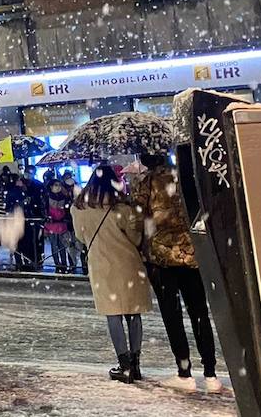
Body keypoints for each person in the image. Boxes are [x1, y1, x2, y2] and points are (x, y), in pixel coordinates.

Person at [134, 152, 222, 392]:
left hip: (162, 260)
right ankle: (211, 374)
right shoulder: (186, 178)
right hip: (191, 255)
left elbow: (137, 219)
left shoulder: (146, 183)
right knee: (199, 313)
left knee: (172, 317)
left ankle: (185, 373)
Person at [72, 164, 151, 383]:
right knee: (133, 314)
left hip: (101, 266)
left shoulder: (79, 208)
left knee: (113, 314)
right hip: (129, 264)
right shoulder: (124, 208)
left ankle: (123, 364)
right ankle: (135, 363)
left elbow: (80, 236)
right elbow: (135, 239)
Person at [44, 172, 79, 275]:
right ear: (51, 187)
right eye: (56, 185)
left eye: (59, 185)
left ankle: (64, 264)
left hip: (62, 223)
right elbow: (45, 209)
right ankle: (58, 264)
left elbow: (67, 209)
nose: (58, 187)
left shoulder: (64, 197)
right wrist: (48, 217)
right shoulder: (47, 197)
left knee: (63, 245)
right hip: (52, 224)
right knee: (54, 245)